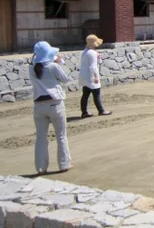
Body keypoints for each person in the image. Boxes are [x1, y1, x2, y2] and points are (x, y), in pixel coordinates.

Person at [30, 41, 73, 175]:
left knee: (41, 137)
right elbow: (65, 79)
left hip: (38, 105)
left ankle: (41, 168)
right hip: (55, 103)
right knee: (61, 135)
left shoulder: (31, 68)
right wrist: (60, 63)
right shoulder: (53, 66)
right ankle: (64, 164)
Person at [79, 34, 112, 118]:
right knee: (96, 94)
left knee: (85, 95)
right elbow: (93, 66)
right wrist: (96, 76)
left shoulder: (85, 51)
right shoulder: (92, 53)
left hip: (84, 76)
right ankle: (101, 110)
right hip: (91, 76)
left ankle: (84, 112)